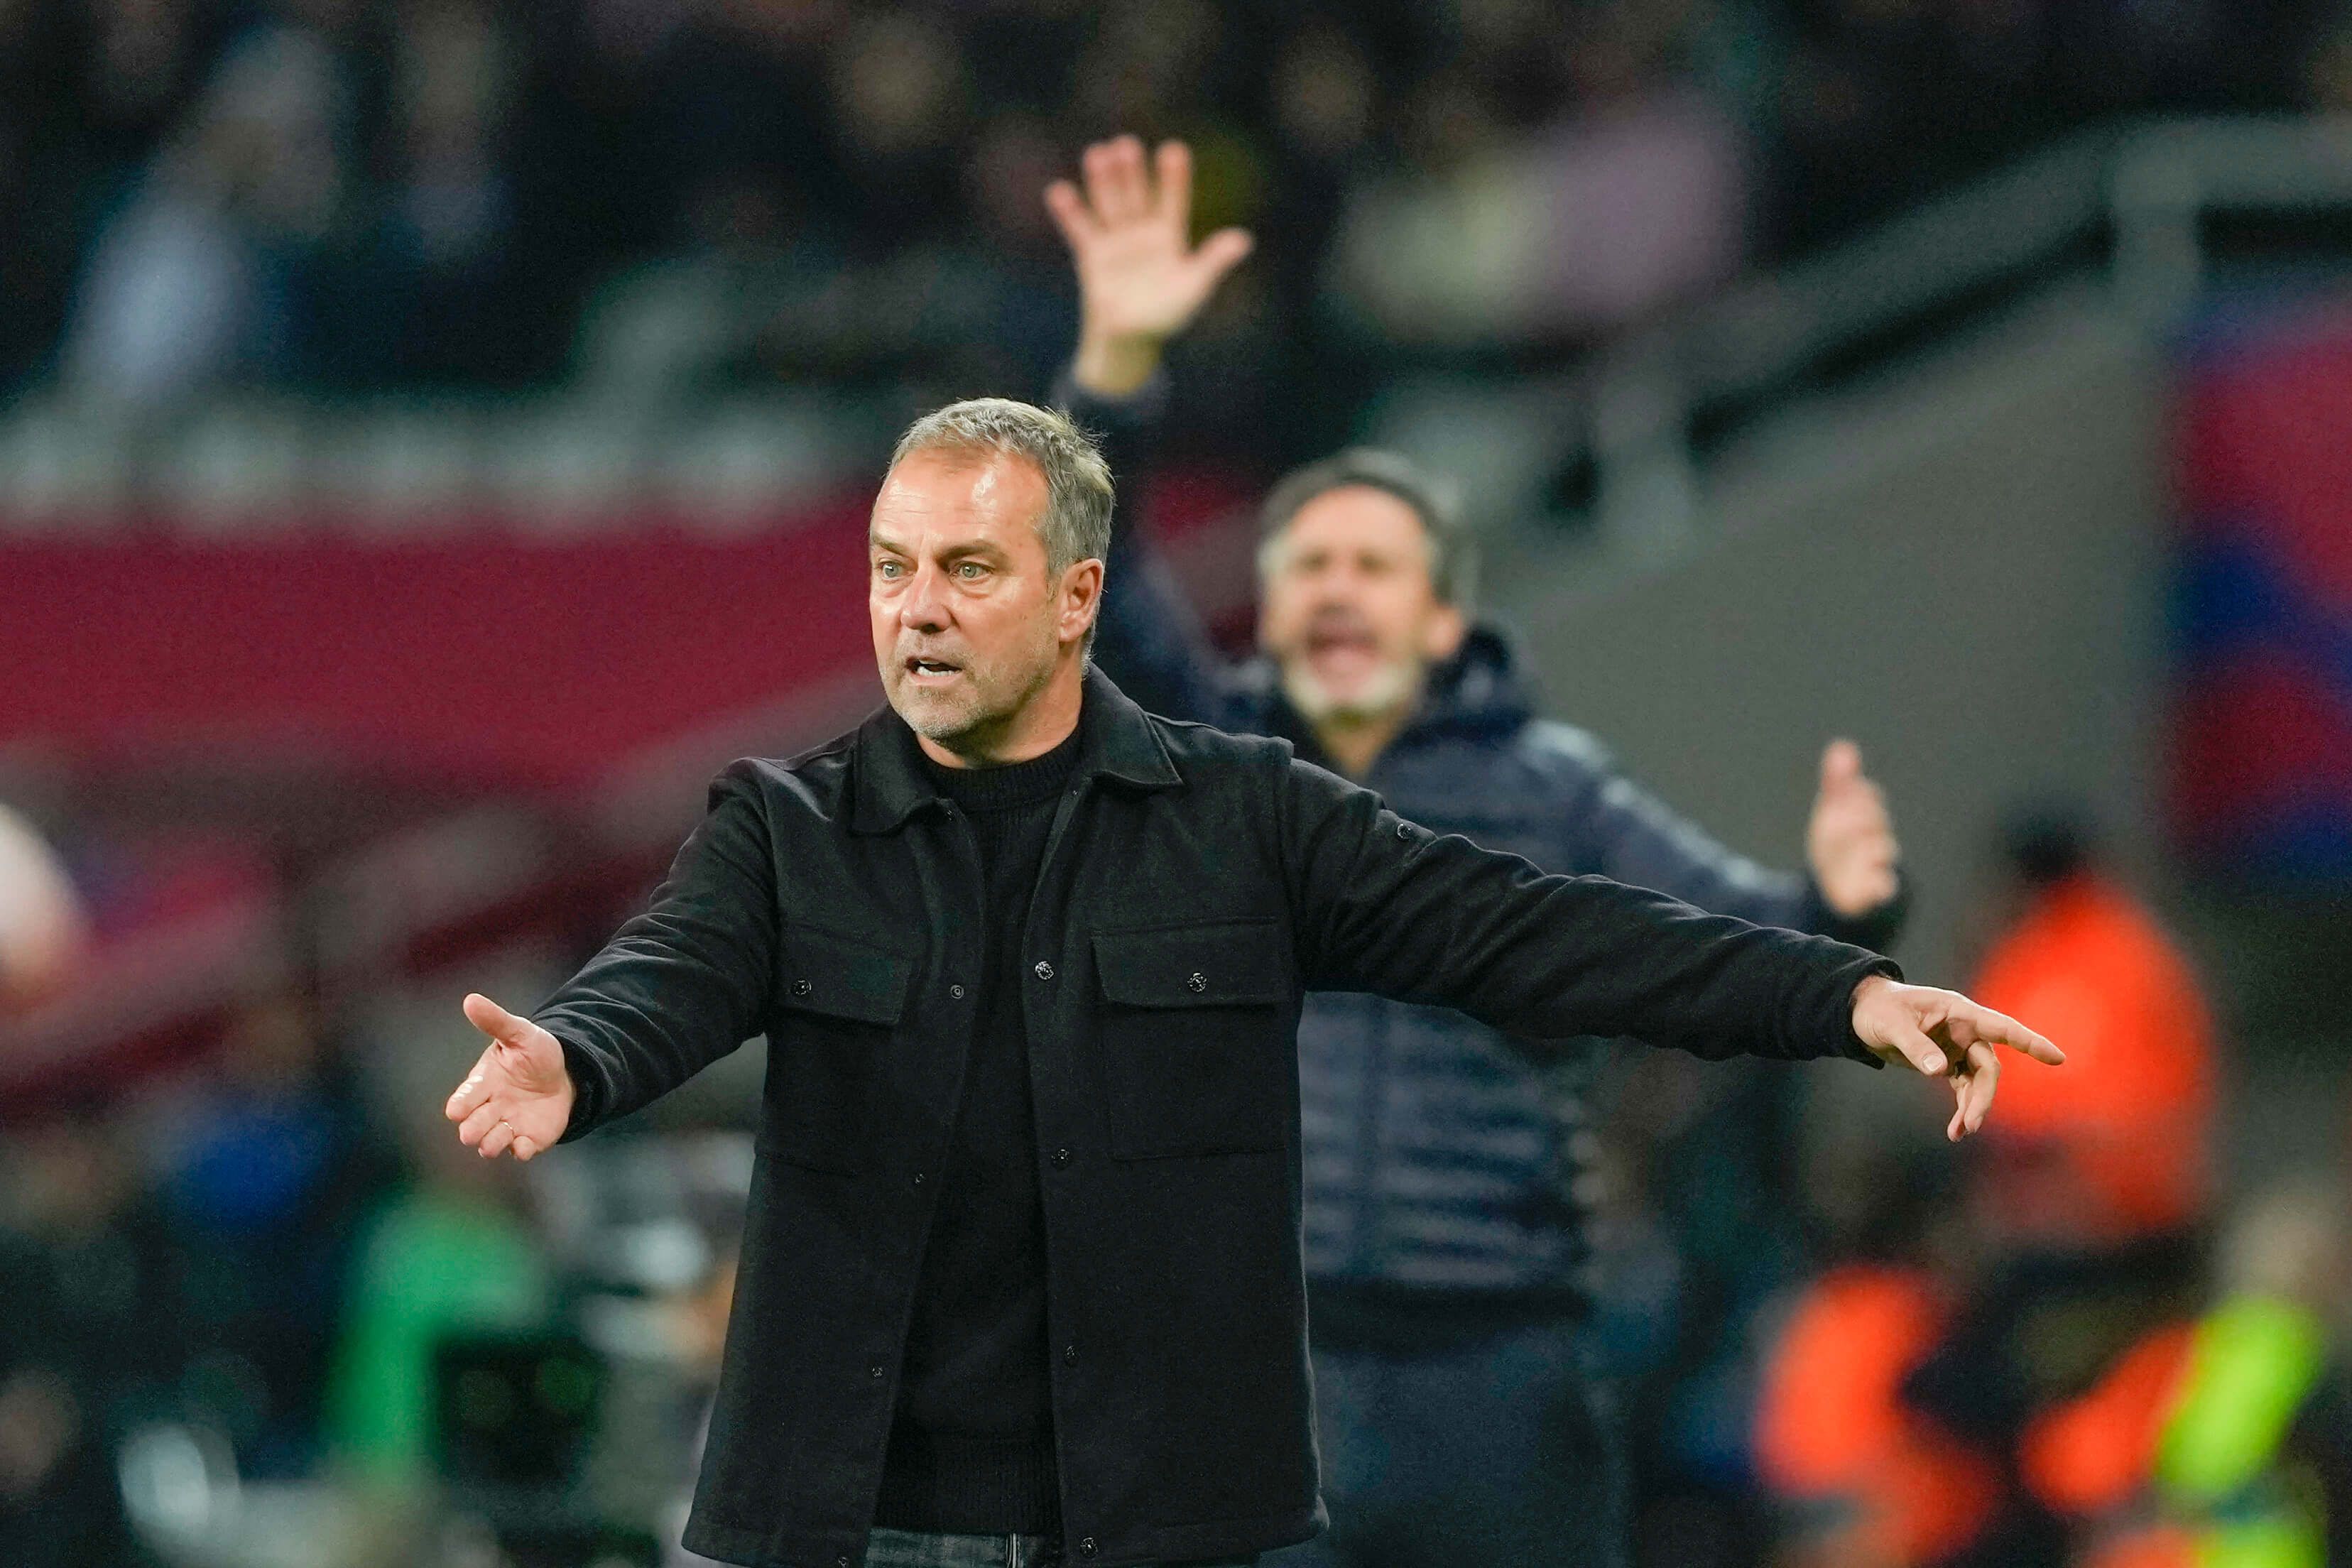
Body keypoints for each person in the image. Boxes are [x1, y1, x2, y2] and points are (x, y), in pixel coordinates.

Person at [443, 394, 2059, 1568]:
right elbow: (668, 972)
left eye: (967, 570)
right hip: (854, 1523)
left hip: (1160, 1527)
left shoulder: (1249, 822)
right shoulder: (784, 832)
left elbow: (1541, 930)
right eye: (889, 566)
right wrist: (575, 1061)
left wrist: (1840, 997)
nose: (915, 609)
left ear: (1080, 599)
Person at [1044, 134, 1911, 1567]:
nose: (1333, 592)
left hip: (1495, 1369)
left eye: (1371, 566)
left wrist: (1846, 899)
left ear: (1445, 621)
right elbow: (1091, 582)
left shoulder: (1549, 791)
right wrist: (1115, 377)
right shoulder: (1213, 769)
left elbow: (1740, 942)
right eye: (1303, 564)